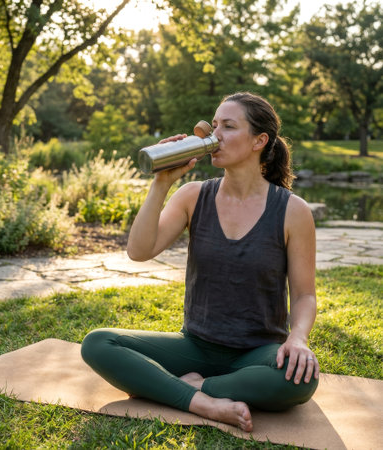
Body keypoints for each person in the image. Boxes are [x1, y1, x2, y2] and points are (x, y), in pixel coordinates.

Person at [81, 92, 319, 432]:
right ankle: (206, 402)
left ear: (259, 141)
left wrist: (297, 338)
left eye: (228, 126)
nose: (214, 135)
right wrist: (162, 182)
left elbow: (304, 295)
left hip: (258, 351)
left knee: (300, 380)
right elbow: (139, 250)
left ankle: (188, 388)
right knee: (98, 344)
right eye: (215, 124)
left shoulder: (293, 210)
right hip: (194, 347)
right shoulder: (193, 196)